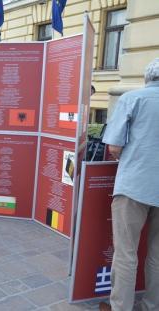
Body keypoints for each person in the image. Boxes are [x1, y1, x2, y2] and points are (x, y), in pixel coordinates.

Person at [99, 58, 159, 311]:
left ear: (147, 77)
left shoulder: (132, 99)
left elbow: (113, 147)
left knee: (125, 254)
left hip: (133, 185)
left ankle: (120, 307)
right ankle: (151, 305)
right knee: (157, 256)